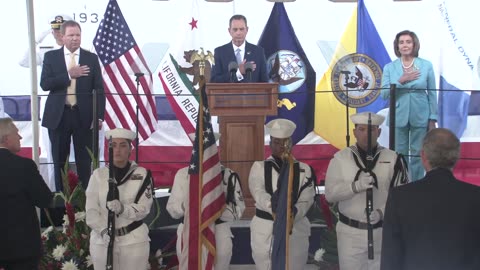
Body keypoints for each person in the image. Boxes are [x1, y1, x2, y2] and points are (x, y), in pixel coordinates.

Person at [381, 128, 480, 270]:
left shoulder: (399, 198)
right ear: (456, 157)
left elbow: (391, 258)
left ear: (423, 156)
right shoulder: (476, 197)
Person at [325, 112, 409, 270]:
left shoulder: (394, 159)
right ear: (354, 132)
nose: (366, 134)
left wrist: (382, 213)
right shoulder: (340, 158)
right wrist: (354, 187)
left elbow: (403, 198)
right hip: (350, 234)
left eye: (371, 130)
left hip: (382, 233)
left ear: (379, 132)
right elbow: (330, 195)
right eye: (361, 129)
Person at [40, 20, 105, 191]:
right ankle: (62, 201)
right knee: (60, 161)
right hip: (59, 116)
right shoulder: (51, 57)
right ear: (62, 36)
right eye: (71, 35)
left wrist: (98, 116)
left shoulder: (91, 58)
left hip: (82, 116)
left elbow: (98, 88)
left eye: (78, 35)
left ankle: (85, 201)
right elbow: (45, 84)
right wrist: (69, 75)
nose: (75, 39)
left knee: (85, 161)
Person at [166, 132, 245, 270]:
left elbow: (238, 210)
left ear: (216, 150)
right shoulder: (183, 175)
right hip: (188, 231)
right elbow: (172, 210)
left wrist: (213, 209)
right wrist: (188, 206)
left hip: (219, 232)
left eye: (209, 149)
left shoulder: (228, 175)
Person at [248, 118, 315, 270]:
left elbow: (307, 197)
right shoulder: (259, 167)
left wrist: (294, 212)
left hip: (295, 227)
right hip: (266, 227)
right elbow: (257, 191)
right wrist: (273, 205)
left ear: (291, 143)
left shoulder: (304, 169)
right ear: (270, 143)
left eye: (285, 142)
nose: (281, 146)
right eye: (277, 142)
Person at [85, 128, 153, 270]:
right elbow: (91, 211)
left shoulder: (142, 174)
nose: (118, 150)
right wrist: (103, 230)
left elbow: (144, 208)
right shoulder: (98, 175)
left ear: (130, 149)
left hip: (134, 241)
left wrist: (123, 209)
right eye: (114, 145)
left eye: (123, 145)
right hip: (102, 240)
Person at [381, 30, 437, 182]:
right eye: (401, 42)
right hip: (398, 115)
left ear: (414, 44)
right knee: (400, 153)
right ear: (397, 46)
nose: (405, 45)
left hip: (421, 113)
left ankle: (417, 184)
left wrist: (433, 117)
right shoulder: (389, 68)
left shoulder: (426, 65)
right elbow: (384, 94)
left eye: (408, 42)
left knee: (419, 152)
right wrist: (401, 80)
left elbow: (432, 92)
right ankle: (402, 184)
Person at [0, 118, 53, 270]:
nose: (21, 137)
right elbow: (44, 199)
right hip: (22, 249)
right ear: (6, 138)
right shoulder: (24, 166)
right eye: (17, 133)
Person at [210, 14, 268, 83]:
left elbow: (265, 82)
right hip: (228, 93)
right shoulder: (219, 52)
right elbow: (214, 81)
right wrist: (239, 72)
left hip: (252, 94)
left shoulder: (258, 52)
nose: (238, 33)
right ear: (229, 31)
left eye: (241, 29)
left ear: (247, 30)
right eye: (235, 29)